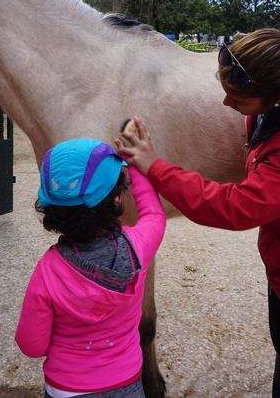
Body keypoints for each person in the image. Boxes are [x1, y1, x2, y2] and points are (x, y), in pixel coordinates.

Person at [115, 25, 280, 397]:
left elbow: (235, 207)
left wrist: (155, 166)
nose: (227, 105)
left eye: (237, 100)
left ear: (279, 97)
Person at [16, 138, 166, 397]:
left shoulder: (48, 271)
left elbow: (31, 345)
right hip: (127, 382)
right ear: (118, 200)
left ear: (50, 209)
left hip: (65, 387)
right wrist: (135, 167)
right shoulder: (137, 248)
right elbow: (154, 215)